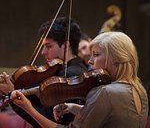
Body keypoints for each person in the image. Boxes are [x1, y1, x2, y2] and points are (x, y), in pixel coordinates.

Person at [10, 31, 148, 128]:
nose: (90, 61)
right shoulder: (140, 90)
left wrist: (29, 109)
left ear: (116, 59)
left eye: (96, 55)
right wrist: (74, 108)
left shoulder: (106, 92)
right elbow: (113, 119)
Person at [0, 17, 88, 127]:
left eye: (48, 46)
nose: (43, 52)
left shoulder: (69, 76)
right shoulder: (68, 70)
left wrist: (13, 94)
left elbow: (46, 121)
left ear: (66, 46)